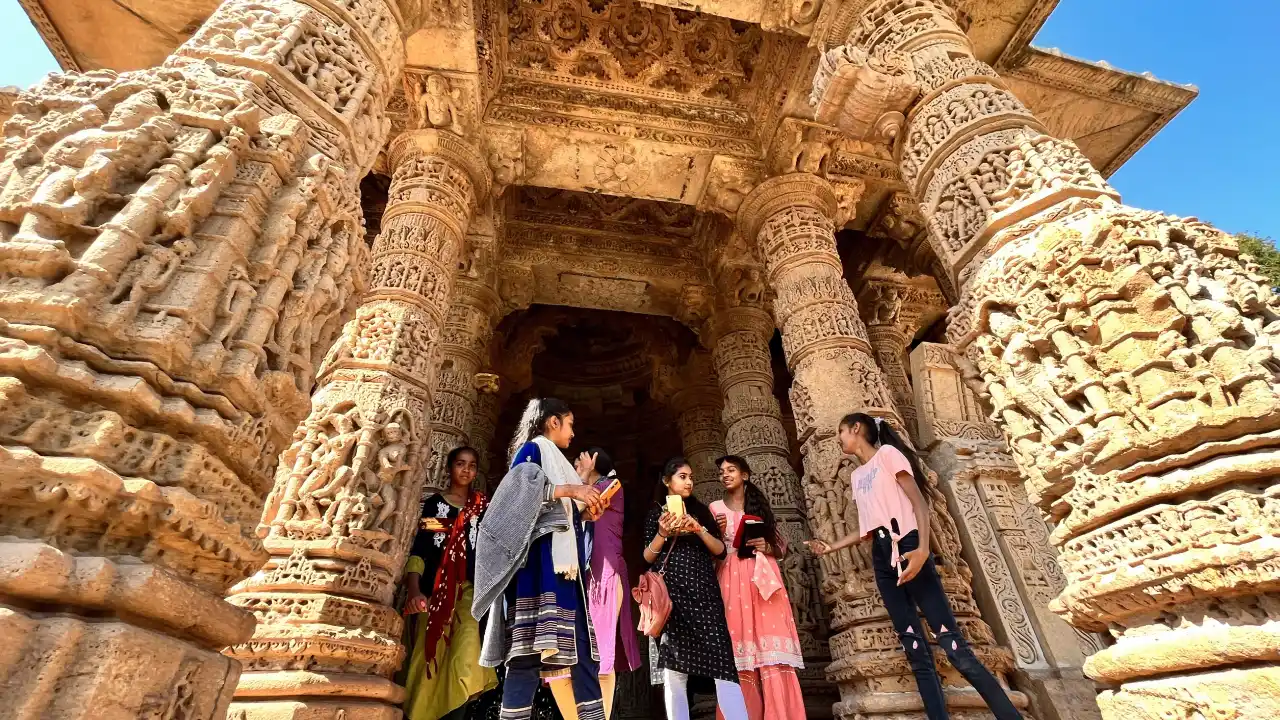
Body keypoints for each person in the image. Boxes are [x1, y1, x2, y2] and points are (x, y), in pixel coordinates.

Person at [807, 413, 1023, 720]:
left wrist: (922, 549)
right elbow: (869, 527)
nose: (839, 438)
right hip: (883, 555)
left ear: (856, 429)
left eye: (841, 431)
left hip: (908, 545)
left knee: (952, 644)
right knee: (914, 647)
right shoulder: (857, 476)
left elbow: (919, 503)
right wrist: (831, 547)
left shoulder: (888, 455)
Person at [472, 398, 607, 720]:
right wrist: (571, 490)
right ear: (553, 422)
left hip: (565, 572)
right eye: (570, 424)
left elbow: (558, 516)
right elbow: (517, 492)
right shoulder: (533, 450)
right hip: (538, 569)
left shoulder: (557, 461)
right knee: (526, 654)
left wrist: (585, 513)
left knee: (584, 652)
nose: (573, 432)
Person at [643, 457, 749, 720]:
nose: (689, 482)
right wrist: (662, 533)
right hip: (673, 600)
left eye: (691, 477)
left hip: (705, 595)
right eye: (682, 477)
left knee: (723, 665)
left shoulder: (700, 511)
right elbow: (647, 556)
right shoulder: (656, 513)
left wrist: (699, 529)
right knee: (675, 672)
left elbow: (720, 551)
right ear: (667, 481)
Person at [402, 446, 498, 720]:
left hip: (469, 591)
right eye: (460, 463)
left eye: (472, 465)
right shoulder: (436, 505)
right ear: (449, 468)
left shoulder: (482, 508)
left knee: (467, 655)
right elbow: (422, 549)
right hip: (435, 591)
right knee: (429, 658)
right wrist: (414, 590)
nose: (466, 470)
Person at [548, 447, 642, 719]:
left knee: (601, 654)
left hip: (604, 577)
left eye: (580, 459)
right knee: (560, 661)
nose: (575, 464)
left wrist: (581, 478)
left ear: (595, 461)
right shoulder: (579, 490)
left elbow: (575, 505)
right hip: (575, 580)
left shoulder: (611, 486)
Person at [709, 455, 806, 720]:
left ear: (745, 475)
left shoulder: (759, 508)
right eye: (722, 471)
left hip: (763, 580)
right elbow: (711, 551)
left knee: (772, 652)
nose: (725, 474)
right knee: (739, 651)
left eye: (731, 470)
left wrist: (767, 547)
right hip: (731, 578)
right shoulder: (715, 509)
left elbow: (781, 547)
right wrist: (716, 533)